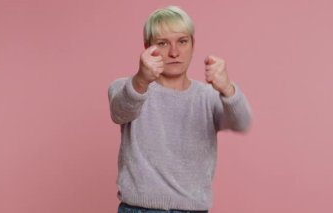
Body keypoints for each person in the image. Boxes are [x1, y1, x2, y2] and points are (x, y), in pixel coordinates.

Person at [108, 5, 252, 213]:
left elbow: (242, 122)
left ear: (193, 45)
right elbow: (120, 111)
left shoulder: (208, 97)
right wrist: (141, 80)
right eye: (163, 43)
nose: (174, 52)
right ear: (148, 47)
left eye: (182, 41)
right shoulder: (127, 87)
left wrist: (228, 89)